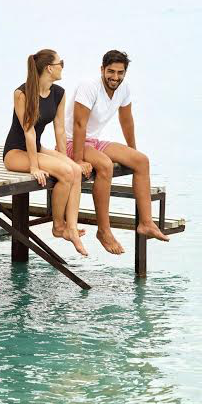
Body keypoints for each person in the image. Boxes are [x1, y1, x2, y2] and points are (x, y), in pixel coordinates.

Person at [66, 50, 169, 255]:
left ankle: (146, 223)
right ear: (102, 69)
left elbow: (126, 120)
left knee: (141, 161)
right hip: (71, 142)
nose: (115, 77)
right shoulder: (89, 87)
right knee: (105, 165)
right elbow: (79, 124)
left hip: (94, 142)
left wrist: (131, 151)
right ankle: (104, 231)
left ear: (125, 73)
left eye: (120, 72)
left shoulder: (124, 89)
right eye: (111, 71)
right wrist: (78, 160)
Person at [3, 49, 92, 256]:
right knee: (66, 172)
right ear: (50, 68)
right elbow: (29, 131)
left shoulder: (58, 93)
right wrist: (34, 167)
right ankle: (58, 226)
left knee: (75, 170)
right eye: (61, 63)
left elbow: (59, 129)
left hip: (38, 147)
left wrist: (65, 158)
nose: (63, 67)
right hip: (15, 152)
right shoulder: (22, 94)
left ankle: (71, 228)